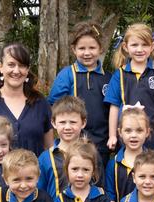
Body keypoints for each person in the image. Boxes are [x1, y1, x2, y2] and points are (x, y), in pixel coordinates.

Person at [105, 23, 154, 152]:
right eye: (134, 45)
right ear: (125, 47)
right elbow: (114, 106)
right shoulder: (119, 75)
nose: (140, 49)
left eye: (144, 45)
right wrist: (112, 135)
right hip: (129, 133)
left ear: (152, 46)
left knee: (153, 167)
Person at [48, 21, 112, 166]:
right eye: (82, 48)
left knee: (98, 183)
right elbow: (54, 106)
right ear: (73, 49)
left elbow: (113, 110)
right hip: (73, 146)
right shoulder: (67, 75)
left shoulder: (109, 78)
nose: (87, 53)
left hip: (101, 146)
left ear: (100, 48)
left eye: (92, 48)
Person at [37, 96, 104, 201]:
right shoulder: (45, 158)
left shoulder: (92, 154)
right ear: (53, 123)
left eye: (73, 122)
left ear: (83, 123)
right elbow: (39, 193)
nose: (67, 127)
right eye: (62, 122)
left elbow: (100, 187)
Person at [105, 107, 150, 202]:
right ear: (120, 132)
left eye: (139, 130)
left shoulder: (153, 163)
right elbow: (110, 197)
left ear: (147, 132)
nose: (133, 135)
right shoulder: (113, 164)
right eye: (128, 131)